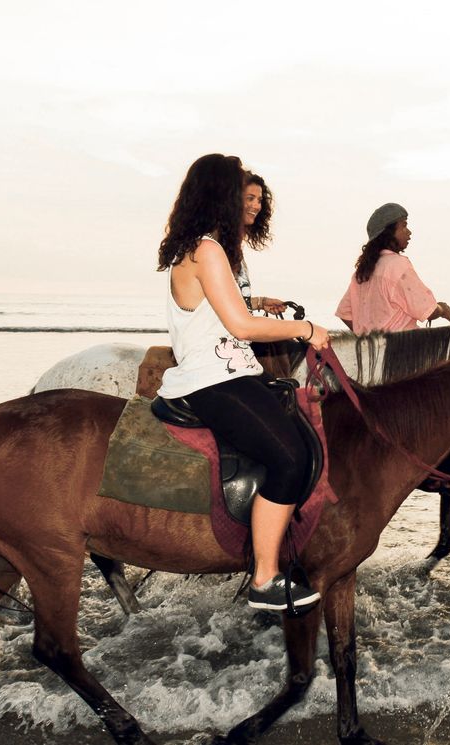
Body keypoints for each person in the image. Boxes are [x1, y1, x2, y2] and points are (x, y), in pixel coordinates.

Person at [156, 154, 331, 612]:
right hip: (212, 380)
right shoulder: (207, 250)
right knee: (290, 458)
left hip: (231, 372)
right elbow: (241, 325)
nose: (248, 199)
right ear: (220, 192)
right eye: (240, 190)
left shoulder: (203, 248)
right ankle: (264, 577)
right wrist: (304, 329)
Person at [336, 203, 450, 334]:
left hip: (371, 352)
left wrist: (368, 338)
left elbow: (345, 313)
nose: (409, 232)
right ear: (388, 233)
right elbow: (429, 311)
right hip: (402, 350)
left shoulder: (363, 271)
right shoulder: (397, 265)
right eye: (404, 226)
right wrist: (442, 309)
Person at [238, 172, 288, 317]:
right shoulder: (213, 248)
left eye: (259, 200)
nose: (256, 206)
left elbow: (228, 304)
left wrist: (260, 302)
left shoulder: (232, 249)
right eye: (250, 198)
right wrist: (304, 328)